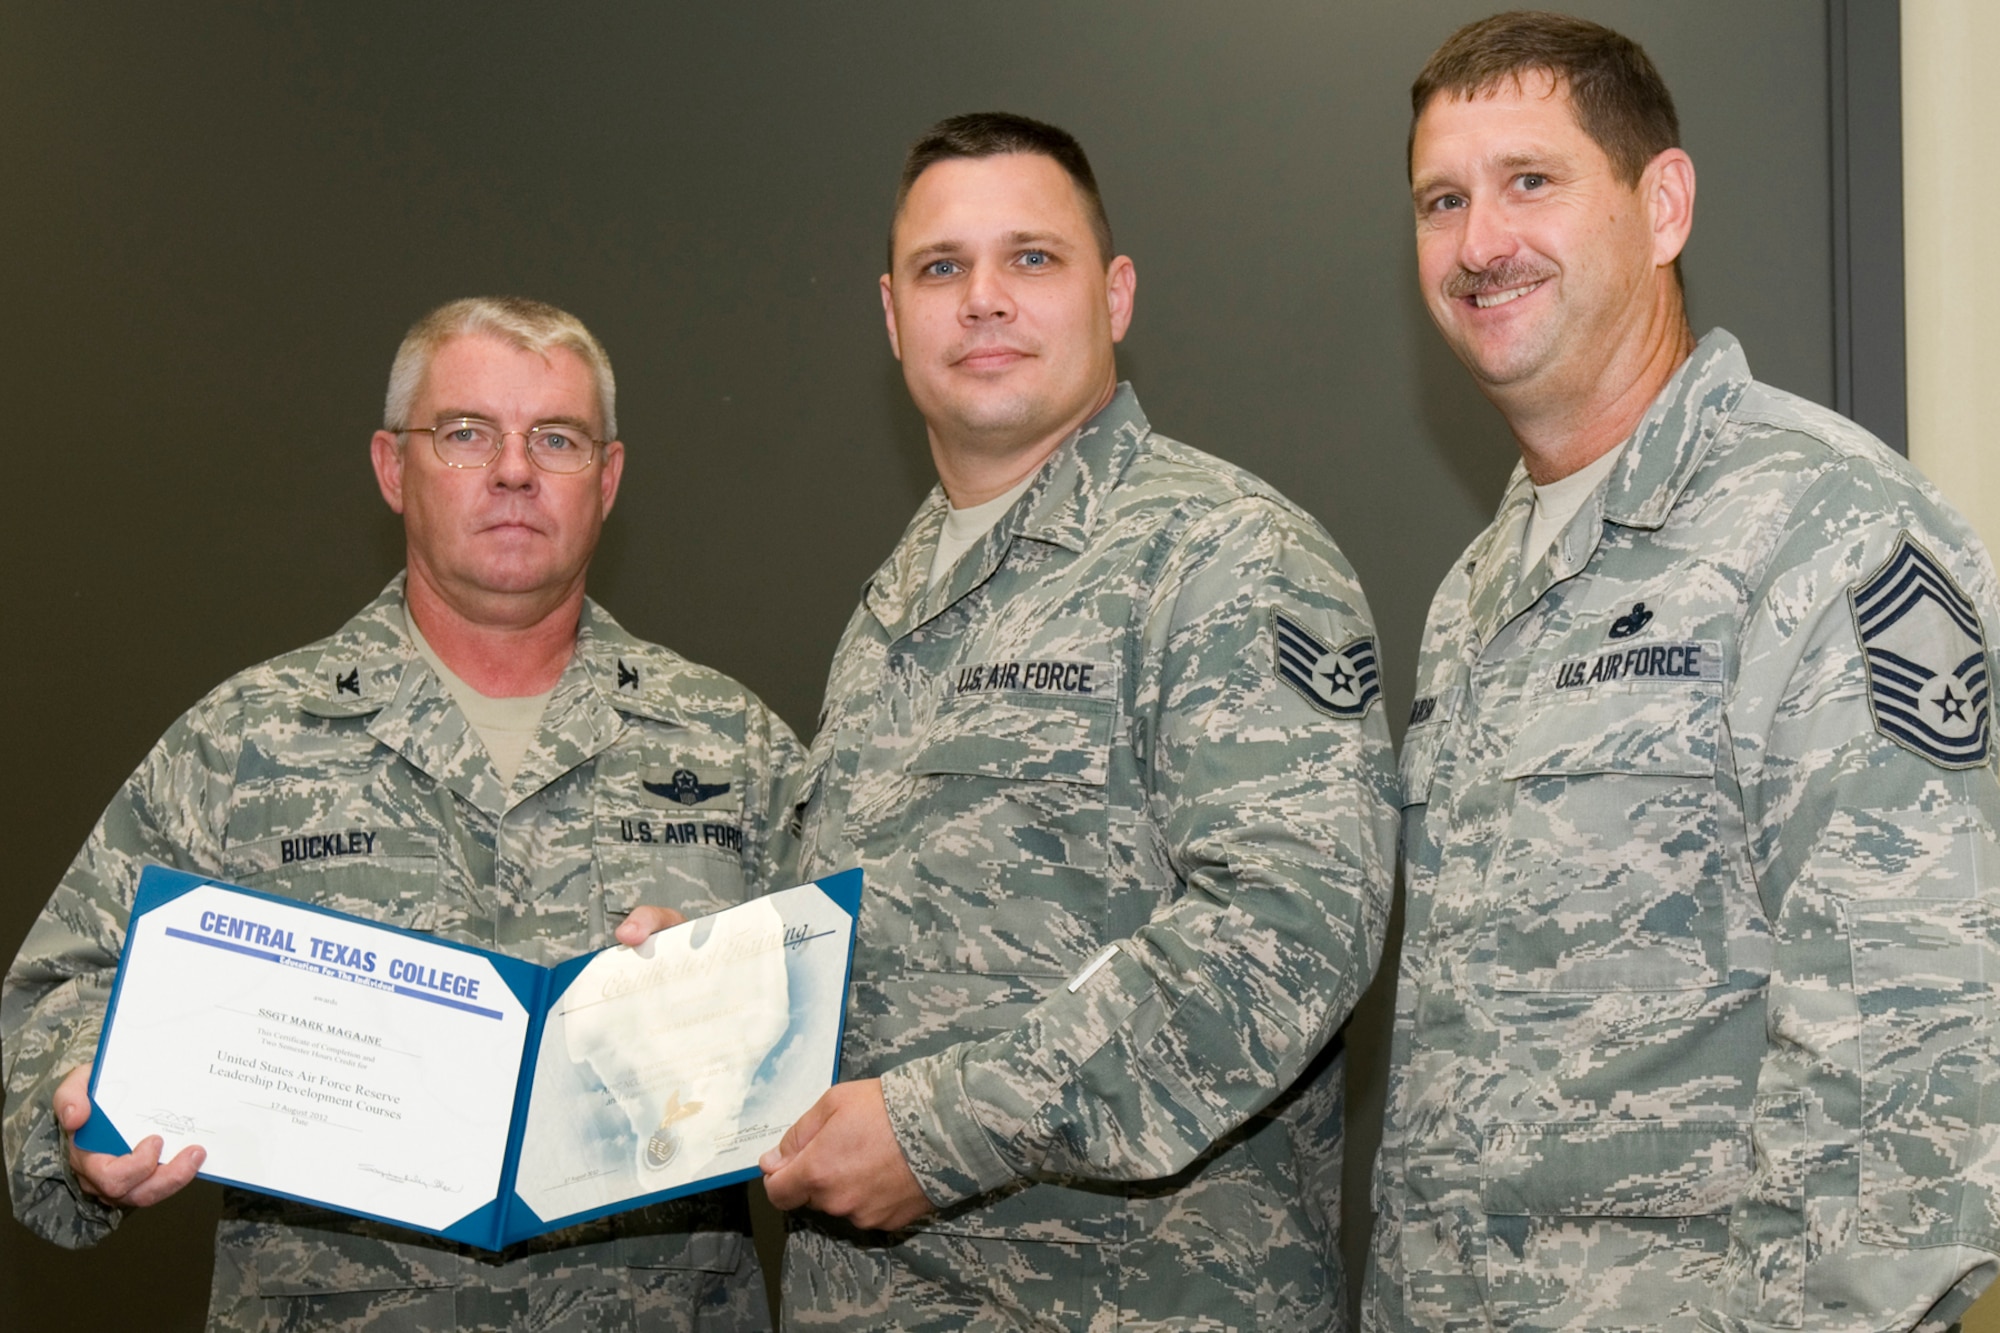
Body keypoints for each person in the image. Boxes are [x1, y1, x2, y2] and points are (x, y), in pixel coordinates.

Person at [1369, 13, 2000, 1332]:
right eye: (1443, 198)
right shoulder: (1477, 597)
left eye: (1529, 180)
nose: (1480, 241)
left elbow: (1914, 1056)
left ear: (1663, 206)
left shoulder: (1834, 528)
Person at [1, 296, 797, 1331]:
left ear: (605, 480)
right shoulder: (248, 741)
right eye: (465, 433)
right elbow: (62, 986)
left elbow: (856, 1026)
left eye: (554, 438)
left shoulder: (729, 745)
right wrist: (76, 1106)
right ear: (392, 467)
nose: (513, 469)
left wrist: (742, 1017)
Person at [756, 111, 1399, 1330]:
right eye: (940, 268)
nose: (982, 299)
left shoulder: (1224, 554)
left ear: (1113, 296)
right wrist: (721, 988)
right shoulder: (893, 602)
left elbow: (1285, 936)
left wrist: (937, 1131)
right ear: (891, 316)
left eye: (1030, 259)